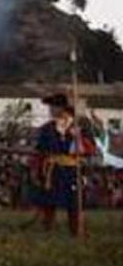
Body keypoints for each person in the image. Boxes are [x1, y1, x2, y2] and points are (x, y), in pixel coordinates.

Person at [32, 92, 91, 237]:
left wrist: (79, 139)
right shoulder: (47, 128)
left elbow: (90, 148)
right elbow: (40, 150)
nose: (51, 110)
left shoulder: (80, 127)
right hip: (53, 170)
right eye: (50, 107)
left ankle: (76, 231)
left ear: (62, 108)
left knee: (74, 203)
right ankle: (48, 230)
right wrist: (36, 170)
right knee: (49, 201)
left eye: (54, 107)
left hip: (72, 169)